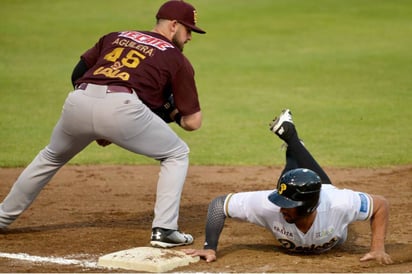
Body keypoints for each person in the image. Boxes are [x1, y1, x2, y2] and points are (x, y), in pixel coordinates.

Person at [0, 0, 206, 248]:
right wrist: (167, 111)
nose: (190, 37)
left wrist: (97, 122)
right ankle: (164, 229)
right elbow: (193, 122)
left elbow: (77, 74)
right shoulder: (176, 58)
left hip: (79, 101)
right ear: (174, 25)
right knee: (177, 154)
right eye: (189, 30)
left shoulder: (115, 36)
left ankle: (2, 217)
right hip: (122, 108)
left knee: (51, 156)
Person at [184, 109, 393, 264]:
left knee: (323, 185)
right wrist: (209, 247)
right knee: (292, 177)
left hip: (325, 196)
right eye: (281, 201)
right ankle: (293, 141)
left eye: (288, 204)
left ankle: (292, 139)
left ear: (307, 207)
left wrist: (377, 249)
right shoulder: (268, 205)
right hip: (314, 198)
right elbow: (219, 204)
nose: (281, 208)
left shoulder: (339, 204)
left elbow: (380, 205)